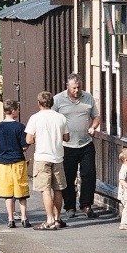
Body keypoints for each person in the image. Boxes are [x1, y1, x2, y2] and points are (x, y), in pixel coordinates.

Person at [53, 73, 101, 219]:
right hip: (67, 145)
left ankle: (86, 205)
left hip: (85, 143)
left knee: (88, 175)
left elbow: (96, 116)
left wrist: (93, 126)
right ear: (67, 86)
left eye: (78, 87)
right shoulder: (58, 99)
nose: (76, 90)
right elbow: (52, 117)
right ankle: (70, 207)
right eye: (73, 88)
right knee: (68, 176)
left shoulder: (88, 98)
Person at [25, 90, 69, 230]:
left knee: (45, 189)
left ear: (39, 104)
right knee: (58, 189)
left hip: (42, 157)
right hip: (57, 156)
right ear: (52, 103)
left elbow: (29, 139)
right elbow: (67, 137)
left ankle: (49, 220)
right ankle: (57, 218)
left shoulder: (35, 118)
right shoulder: (61, 118)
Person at [0, 99, 30, 228]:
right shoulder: (19, 127)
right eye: (17, 110)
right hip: (18, 161)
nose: (18, 112)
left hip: (3, 163)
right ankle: (24, 218)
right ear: (13, 111)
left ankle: (10, 218)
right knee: (21, 191)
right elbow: (24, 146)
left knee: (7, 193)